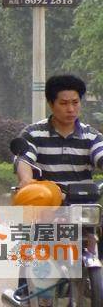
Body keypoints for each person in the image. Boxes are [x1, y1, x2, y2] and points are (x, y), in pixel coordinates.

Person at [11, 74, 103, 302]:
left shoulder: (91, 135)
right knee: (32, 238)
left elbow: (100, 154)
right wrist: (26, 181)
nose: (71, 109)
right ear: (51, 104)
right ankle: (24, 287)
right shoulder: (34, 133)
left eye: (75, 102)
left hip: (83, 205)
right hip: (47, 204)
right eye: (64, 103)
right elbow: (25, 160)